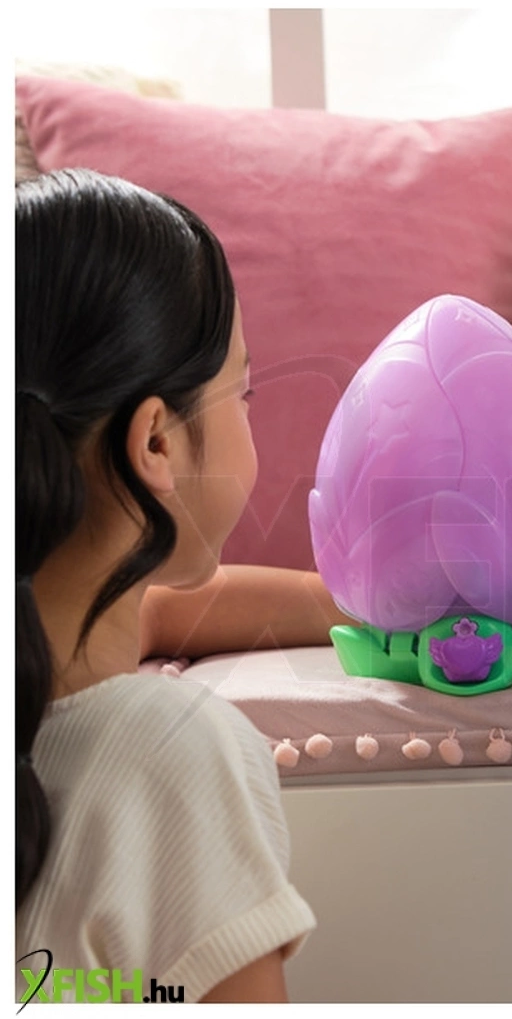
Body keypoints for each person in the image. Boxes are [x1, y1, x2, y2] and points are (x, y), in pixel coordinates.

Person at [15, 168, 351, 1003]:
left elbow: (162, 611)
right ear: (156, 443)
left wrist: (359, 603)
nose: (249, 410)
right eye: (243, 390)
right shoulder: (170, 753)